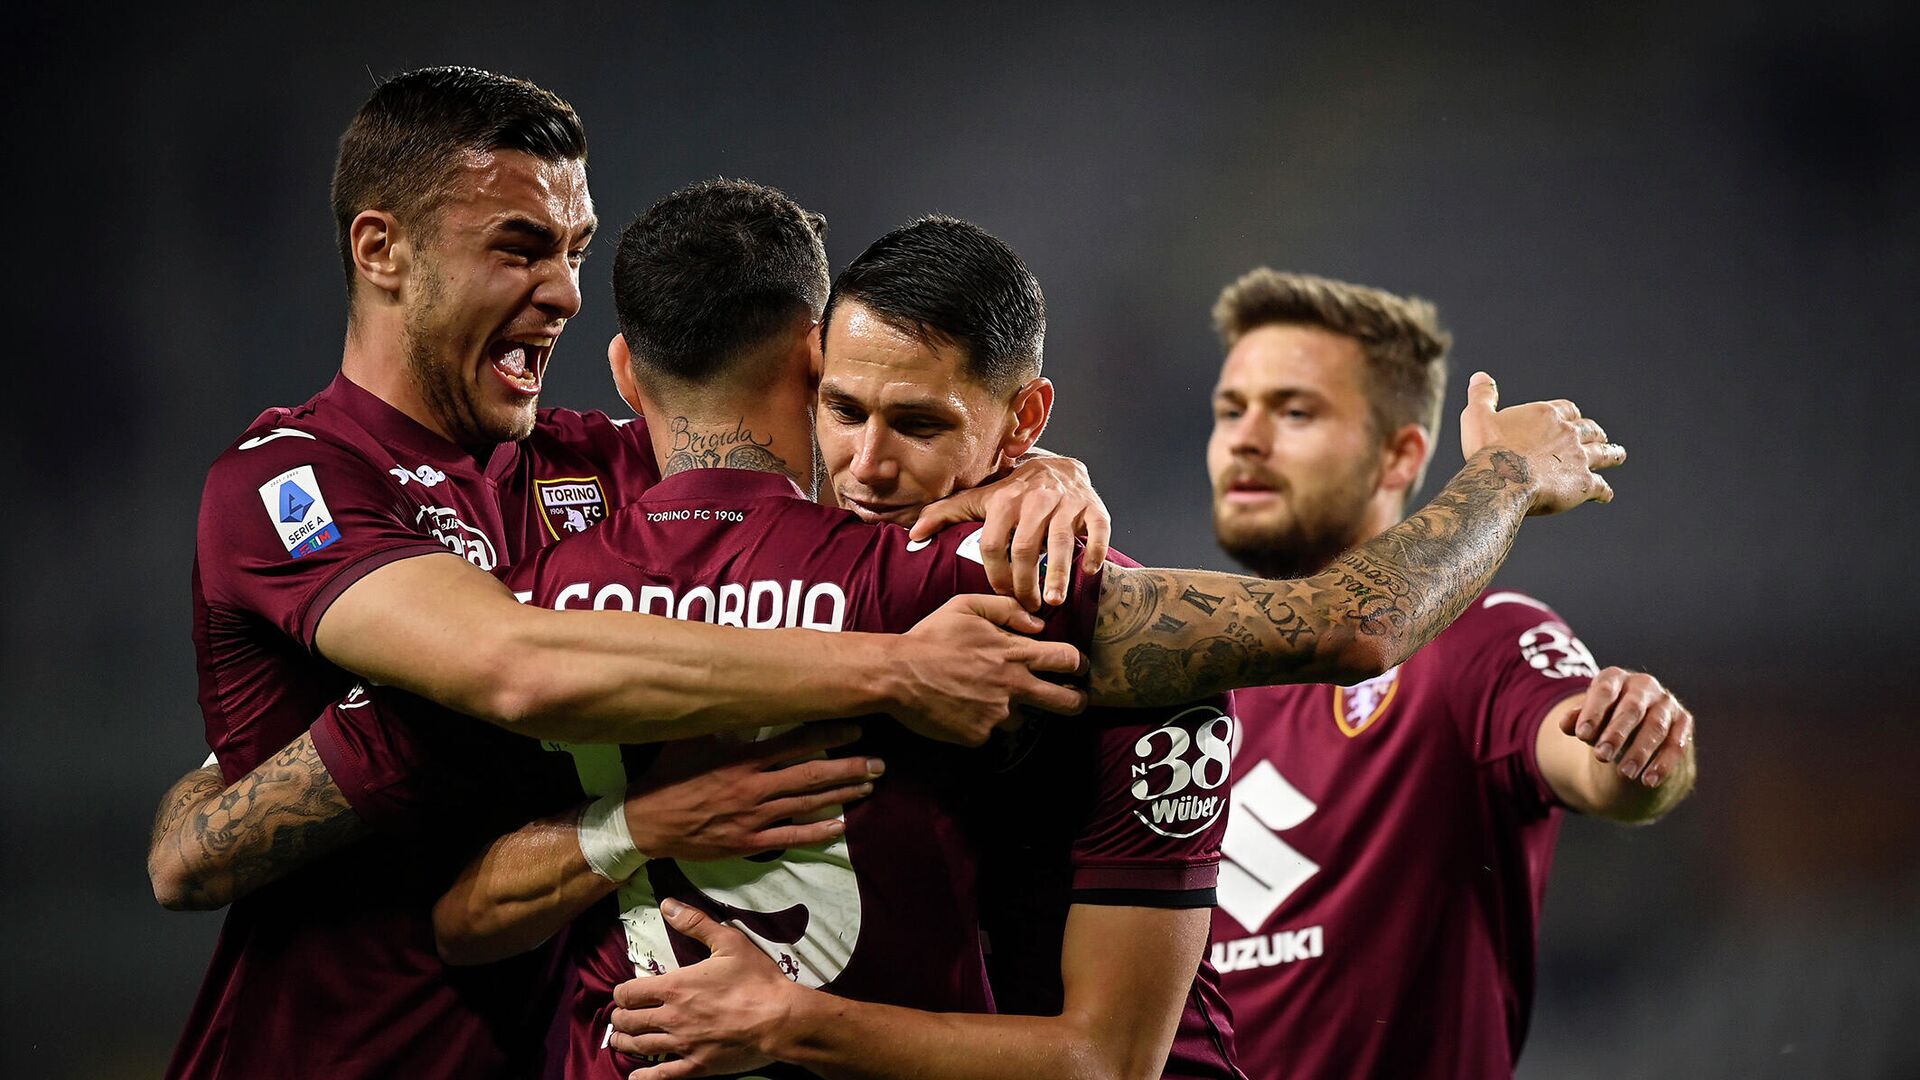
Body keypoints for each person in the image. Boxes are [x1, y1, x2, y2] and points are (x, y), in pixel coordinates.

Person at [510, 209, 1619, 1079]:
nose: (867, 466)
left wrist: (1507, 475)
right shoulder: (796, 561)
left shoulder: (1086, 632)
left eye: (921, 425)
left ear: (1024, 419)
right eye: (843, 412)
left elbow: (1107, 1060)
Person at [160, 68, 1099, 1080]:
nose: (565, 290)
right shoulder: (289, 481)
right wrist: (895, 670)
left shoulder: (600, 471)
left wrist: (1030, 472)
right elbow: (515, 665)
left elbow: (842, 480)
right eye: (519, 248)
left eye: (574, 250)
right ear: (381, 249)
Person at [1199, 270, 1698, 1079]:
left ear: (1400, 454)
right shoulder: (1187, 676)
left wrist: (1637, 739)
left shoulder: (1478, 640)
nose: (1246, 440)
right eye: (1230, 411)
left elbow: (1598, 765)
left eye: (1294, 412)